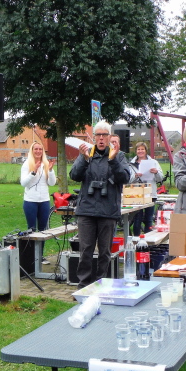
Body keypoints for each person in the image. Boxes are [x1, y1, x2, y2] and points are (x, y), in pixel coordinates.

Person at [70, 121, 130, 288]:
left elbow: (125, 178)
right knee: (85, 250)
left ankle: (100, 284)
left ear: (110, 137)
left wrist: (113, 160)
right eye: (98, 135)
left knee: (104, 252)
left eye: (104, 135)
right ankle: (83, 285)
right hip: (86, 210)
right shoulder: (87, 153)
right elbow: (74, 175)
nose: (101, 138)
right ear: (94, 137)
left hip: (108, 210)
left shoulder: (118, 155)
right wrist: (83, 159)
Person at [20, 142, 56, 264]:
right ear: (32, 150)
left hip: (44, 201)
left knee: (42, 230)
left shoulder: (46, 164)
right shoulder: (27, 164)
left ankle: (40, 256)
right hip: (30, 201)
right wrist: (33, 172)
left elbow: (52, 183)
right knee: (31, 229)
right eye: (36, 149)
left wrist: (50, 170)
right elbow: (23, 183)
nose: (38, 151)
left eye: (40, 149)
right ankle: (31, 258)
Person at [129, 141, 163, 236]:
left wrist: (156, 172)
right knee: (137, 219)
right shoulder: (131, 164)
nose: (140, 151)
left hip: (150, 194)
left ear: (146, 151)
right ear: (136, 151)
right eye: (138, 149)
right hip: (137, 195)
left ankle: (149, 240)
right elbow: (128, 180)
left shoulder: (154, 162)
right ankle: (136, 240)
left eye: (142, 149)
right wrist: (135, 176)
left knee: (148, 219)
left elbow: (160, 178)